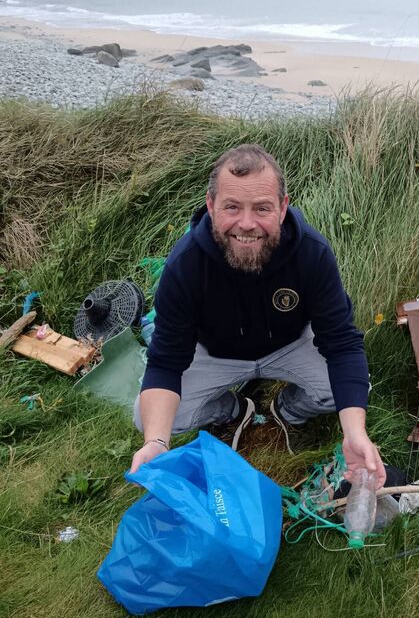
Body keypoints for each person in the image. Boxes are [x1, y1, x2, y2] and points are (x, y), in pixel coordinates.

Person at [130, 144, 385, 487]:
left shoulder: (313, 253)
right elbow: (166, 362)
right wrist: (156, 444)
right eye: (232, 207)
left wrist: (355, 434)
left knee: (352, 392)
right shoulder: (185, 265)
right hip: (214, 353)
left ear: (282, 208)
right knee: (146, 418)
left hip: (290, 344)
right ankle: (233, 409)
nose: (246, 224)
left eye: (261, 208)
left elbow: (341, 345)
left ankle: (288, 409)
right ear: (210, 206)